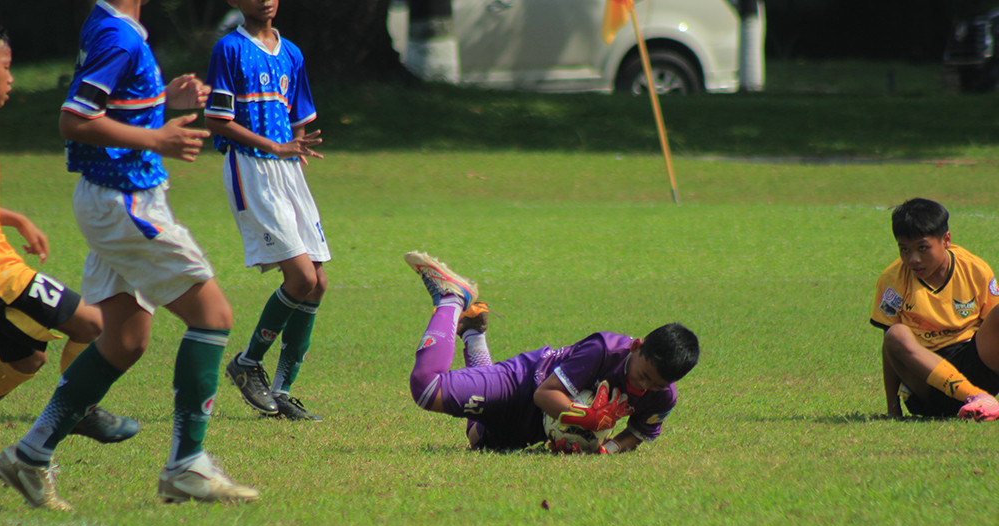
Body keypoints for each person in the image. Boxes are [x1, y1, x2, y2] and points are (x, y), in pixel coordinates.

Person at [0, 0, 258, 511]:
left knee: (125, 339)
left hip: (109, 196)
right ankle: (187, 464)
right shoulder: (120, 36)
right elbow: (75, 119)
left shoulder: (111, 27)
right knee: (213, 317)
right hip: (125, 200)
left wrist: (165, 103)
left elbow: (111, 109)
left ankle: (30, 456)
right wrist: (156, 136)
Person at [403, 251, 700, 453]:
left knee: (477, 439)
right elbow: (544, 395)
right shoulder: (604, 349)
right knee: (428, 389)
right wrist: (585, 419)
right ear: (637, 346)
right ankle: (452, 297)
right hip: (523, 383)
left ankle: (472, 333)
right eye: (644, 375)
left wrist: (607, 449)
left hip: (537, 426)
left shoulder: (663, 395)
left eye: (657, 384)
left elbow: (640, 431)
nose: (645, 386)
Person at [0, 25, 139, 444]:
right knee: (93, 325)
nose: (11, 78)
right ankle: (80, 410)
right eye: (4, 67)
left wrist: (15, 218)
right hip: (5, 276)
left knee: (27, 360)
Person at [204, 0, 329, 421]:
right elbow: (218, 121)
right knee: (300, 276)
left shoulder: (291, 53)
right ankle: (246, 362)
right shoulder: (229, 49)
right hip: (251, 169)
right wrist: (274, 146)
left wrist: (294, 146)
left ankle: (282, 391)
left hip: (288, 170)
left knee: (318, 283)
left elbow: (298, 114)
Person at [871, 197, 999, 421]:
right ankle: (977, 398)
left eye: (923, 248)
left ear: (946, 240)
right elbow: (890, 349)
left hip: (973, 362)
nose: (913, 259)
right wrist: (893, 410)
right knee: (896, 334)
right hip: (927, 385)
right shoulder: (892, 281)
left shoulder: (974, 269)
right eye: (904, 249)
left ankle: (981, 401)